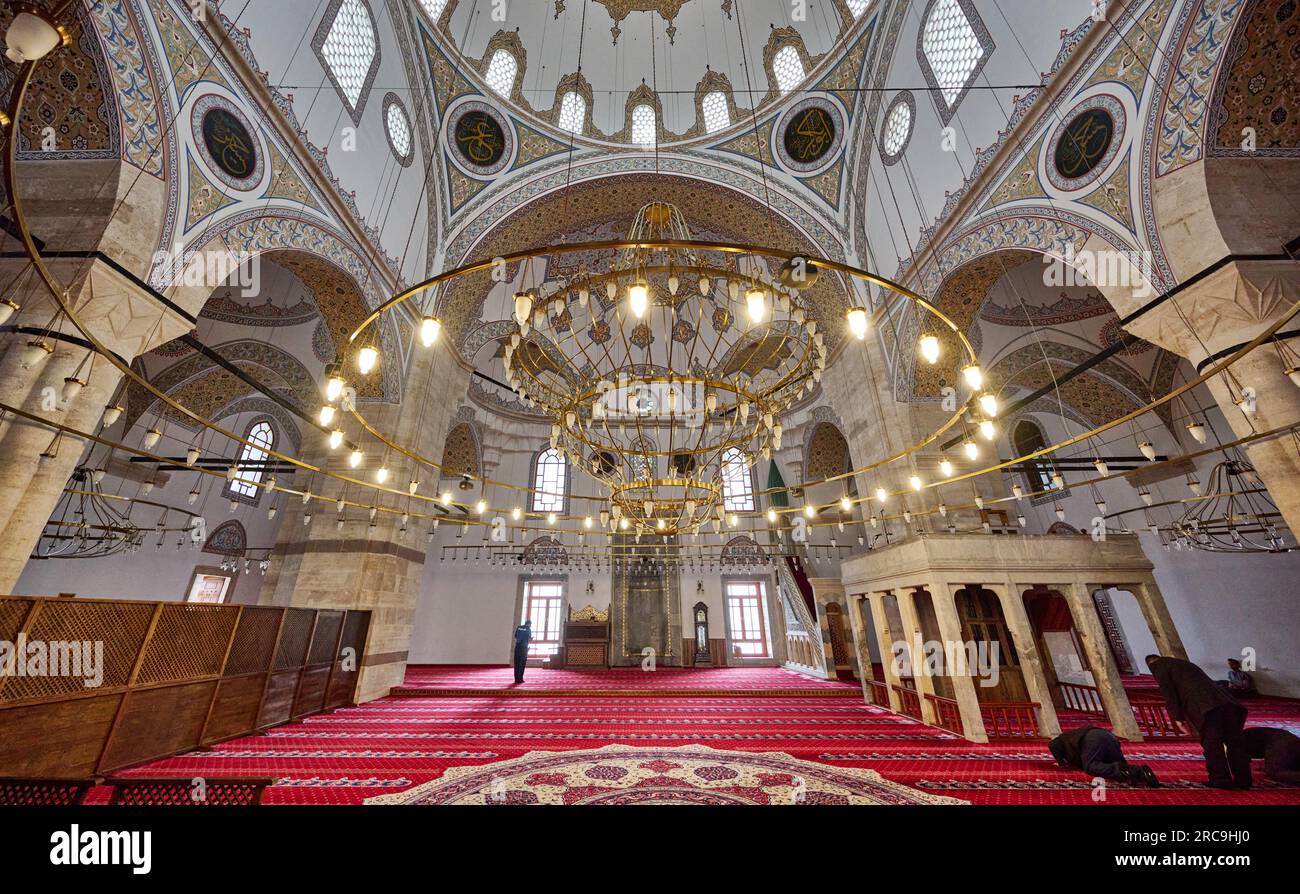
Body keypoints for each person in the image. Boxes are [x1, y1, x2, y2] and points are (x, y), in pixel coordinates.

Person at [1146, 654, 1251, 789]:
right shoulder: (1183, 664)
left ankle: (1220, 780)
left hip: (1207, 707)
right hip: (1228, 703)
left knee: (1212, 744)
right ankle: (1244, 780)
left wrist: (1178, 718)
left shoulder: (1159, 667)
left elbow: (1169, 693)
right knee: (1235, 743)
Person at [1048, 725, 1160, 787]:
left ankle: (1134, 772)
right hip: (1109, 736)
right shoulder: (1069, 737)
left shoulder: (1060, 741)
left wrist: (1061, 762)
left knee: (1091, 767)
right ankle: (1142, 774)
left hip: (1092, 739)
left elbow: (1053, 745)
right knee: (1121, 766)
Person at [512, 619, 532, 684]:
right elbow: (529, 638)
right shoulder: (528, 629)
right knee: (522, 664)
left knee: (516, 663)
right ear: (529, 624)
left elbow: (515, 636)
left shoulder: (519, 627)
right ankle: (520, 679)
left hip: (517, 647)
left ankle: (516, 679)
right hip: (523, 648)